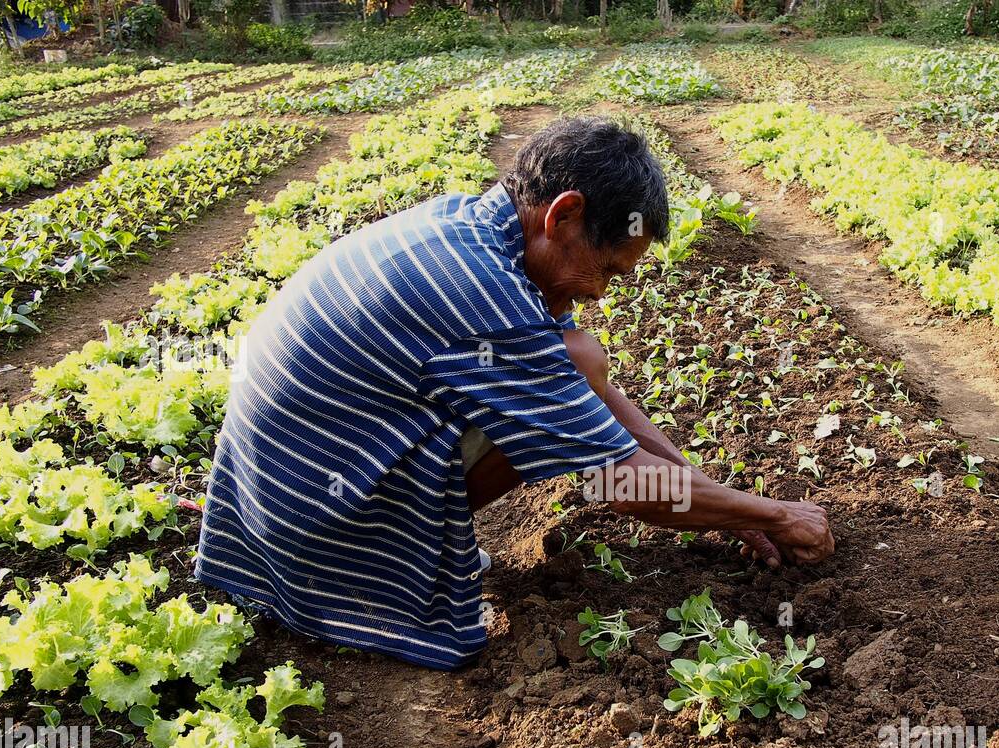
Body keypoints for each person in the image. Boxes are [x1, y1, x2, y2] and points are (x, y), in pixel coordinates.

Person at [194, 117, 834, 670]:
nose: (599, 293)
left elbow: (596, 404)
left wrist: (722, 503)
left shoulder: (471, 227)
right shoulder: (482, 296)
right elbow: (617, 479)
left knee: (576, 359)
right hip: (317, 536)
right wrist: (772, 515)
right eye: (606, 269)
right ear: (564, 216)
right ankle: (387, 576)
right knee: (574, 381)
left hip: (276, 504)